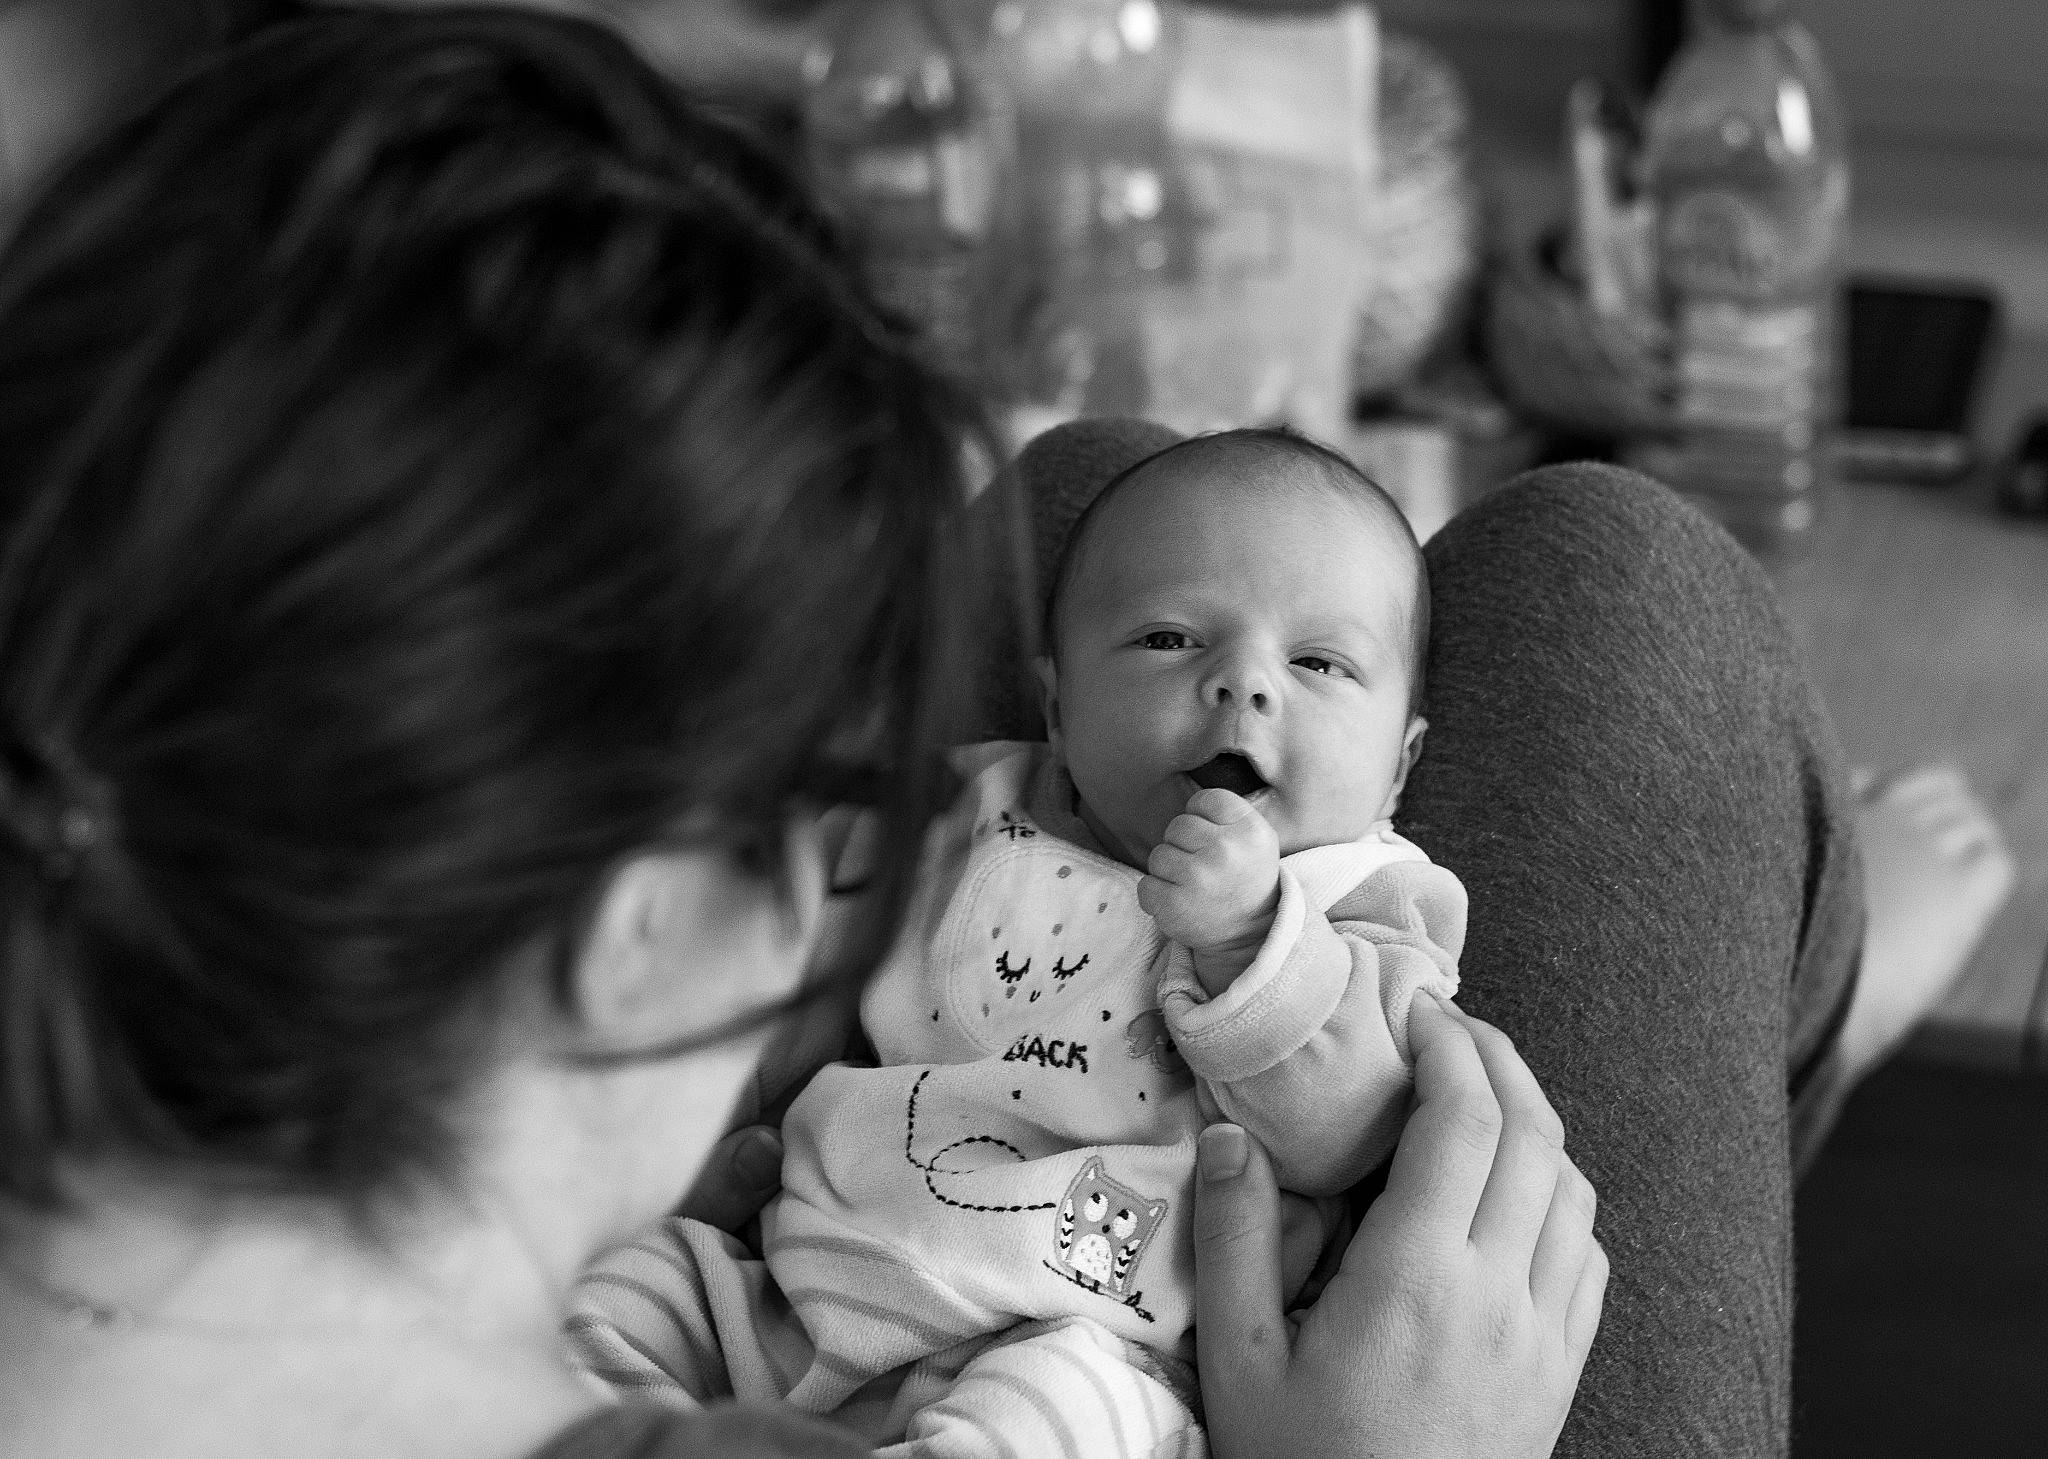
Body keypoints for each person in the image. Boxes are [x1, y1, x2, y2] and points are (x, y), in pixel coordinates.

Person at [0, 10, 1602, 1459]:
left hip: (1045, 1295)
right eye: (828, 788)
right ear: (628, 931)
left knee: (1100, 478)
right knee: (1596, 561)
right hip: (1129, 1353)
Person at [570, 427, 1468, 1455]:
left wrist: (1251, 938)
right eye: (1169, 639)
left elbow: (1353, 1125)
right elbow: (775, 926)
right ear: (1055, 704)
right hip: (786, 1283)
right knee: (606, 1302)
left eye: (1317, 661)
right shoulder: (970, 802)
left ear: (1397, 769)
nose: (1244, 684)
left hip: (1088, 1337)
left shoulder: (1361, 895)